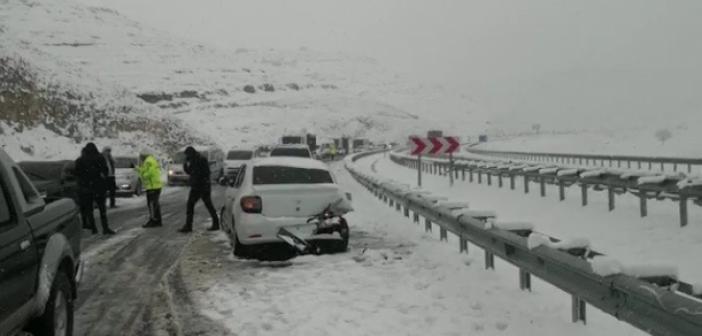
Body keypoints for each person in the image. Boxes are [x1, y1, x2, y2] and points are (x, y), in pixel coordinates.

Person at [75, 143, 115, 235]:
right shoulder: (99, 158)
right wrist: (101, 177)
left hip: (86, 188)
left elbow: (77, 173)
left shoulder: (80, 160)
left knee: (89, 210)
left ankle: (93, 229)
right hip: (99, 187)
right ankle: (105, 228)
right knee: (102, 209)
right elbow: (105, 170)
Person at [178, 146, 219, 233]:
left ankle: (215, 223)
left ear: (191, 153)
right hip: (197, 186)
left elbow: (206, 173)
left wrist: (198, 178)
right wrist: (185, 165)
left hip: (202, 187)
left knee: (205, 205)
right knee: (192, 205)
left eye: (187, 155)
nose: (187, 157)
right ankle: (189, 225)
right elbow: (190, 172)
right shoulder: (193, 160)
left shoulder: (201, 159)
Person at [137, 151, 163, 228]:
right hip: (155, 186)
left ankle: (153, 220)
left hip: (152, 186)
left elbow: (149, 173)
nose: (140, 159)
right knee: (155, 204)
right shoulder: (151, 160)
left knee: (151, 204)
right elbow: (147, 170)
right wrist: (139, 169)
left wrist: (143, 175)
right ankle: (158, 220)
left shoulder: (148, 161)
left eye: (140, 157)